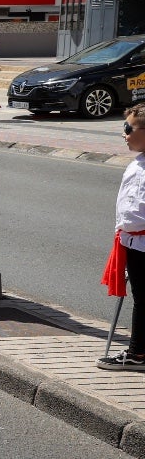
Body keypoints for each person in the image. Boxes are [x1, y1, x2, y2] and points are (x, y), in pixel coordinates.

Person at [101, 104, 145, 370]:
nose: (124, 134)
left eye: (129, 128)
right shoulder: (138, 162)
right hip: (133, 241)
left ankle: (137, 354)